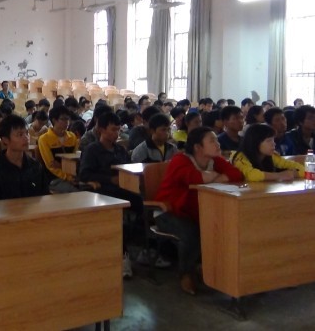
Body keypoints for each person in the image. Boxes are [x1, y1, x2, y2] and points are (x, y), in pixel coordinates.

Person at [155, 127, 243, 294]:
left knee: (222, 227)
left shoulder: (214, 160)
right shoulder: (180, 160)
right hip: (168, 211)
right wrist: (215, 176)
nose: (218, 144)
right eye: (212, 141)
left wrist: (214, 176)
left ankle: (209, 268)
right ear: (197, 147)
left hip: (196, 212)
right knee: (191, 232)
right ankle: (185, 274)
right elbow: (194, 178)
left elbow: (236, 174)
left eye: (216, 140)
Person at [79, 112, 146, 278]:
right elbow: (84, 174)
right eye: (113, 130)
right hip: (101, 191)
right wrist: (110, 179)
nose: (117, 133)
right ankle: (122, 254)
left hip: (122, 190)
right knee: (117, 215)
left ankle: (144, 248)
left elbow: (129, 168)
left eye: (118, 130)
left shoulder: (120, 150)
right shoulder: (92, 150)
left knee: (142, 204)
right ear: (101, 129)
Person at [0, 115, 49, 200]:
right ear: (5, 140)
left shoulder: (36, 167)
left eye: (27, 133)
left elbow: (44, 196)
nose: (26, 138)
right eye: (20, 134)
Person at [232, 124, 304, 182]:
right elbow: (251, 175)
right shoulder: (240, 157)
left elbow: (300, 168)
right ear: (255, 143)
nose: (274, 144)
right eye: (269, 141)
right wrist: (279, 175)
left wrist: (292, 174)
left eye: (273, 140)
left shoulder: (271, 155)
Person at [37, 106, 78, 193]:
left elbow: (75, 161)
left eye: (68, 119)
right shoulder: (44, 139)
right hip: (54, 179)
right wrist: (68, 177)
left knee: (90, 188)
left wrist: (60, 165)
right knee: (76, 192)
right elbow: (51, 166)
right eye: (63, 119)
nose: (67, 122)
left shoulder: (72, 137)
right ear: (54, 120)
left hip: (73, 176)